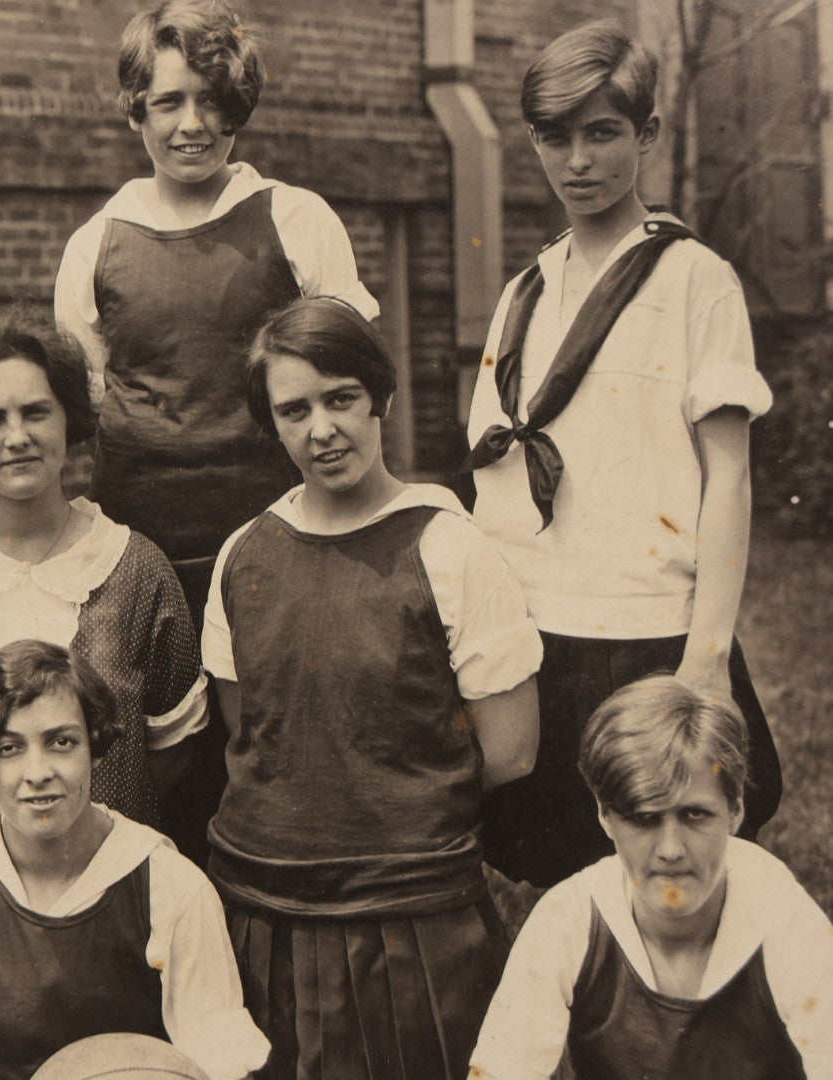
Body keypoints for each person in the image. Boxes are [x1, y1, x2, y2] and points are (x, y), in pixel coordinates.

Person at [53, 0, 377, 863]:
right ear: (136, 109)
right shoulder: (97, 241)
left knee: (284, 737)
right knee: (164, 754)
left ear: (235, 106)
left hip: (276, 534)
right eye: (167, 102)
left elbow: (346, 384)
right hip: (146, 545)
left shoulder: (293, 218)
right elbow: (81, 407)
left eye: (209, 100)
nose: (190, 124)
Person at [465, 20, 781, 888]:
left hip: (646, 631)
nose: (577, 161)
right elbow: (496, 471)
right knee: (555, 874)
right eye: (554, 137)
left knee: (666, 868)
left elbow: (727, 474)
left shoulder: (694, 280)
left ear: (643, 134)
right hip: (536, 631)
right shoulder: (523, 291)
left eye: (601, 133)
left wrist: (706, 653)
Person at [203, 298, 543, 1079]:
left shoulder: (451, 549)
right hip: (265, 913)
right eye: (293, 410)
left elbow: (511, 751)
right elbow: (253, 732)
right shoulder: (243, 556)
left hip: (409, 921)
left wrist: (396, 809)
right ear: (272, 425)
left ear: (380, 397)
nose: (321, 429)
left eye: (340, 398)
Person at [0, 640, 269, 1080]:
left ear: (93, 744)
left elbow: (221, 1061)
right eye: (10, 748)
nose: (37, 773)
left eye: (61, 742)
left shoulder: (170, 886)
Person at [0, 309, 207, 852]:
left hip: (104, 881)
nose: (17, 438)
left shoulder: (136, 568)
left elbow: (170, 755)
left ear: (68, 420)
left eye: (36, 413)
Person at [468, 676, 833, 1079]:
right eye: (644, 819)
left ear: (735, 809)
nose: (671, 849)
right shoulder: (571, 918)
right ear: (605, 816)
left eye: (694, 814)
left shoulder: (782, 918)